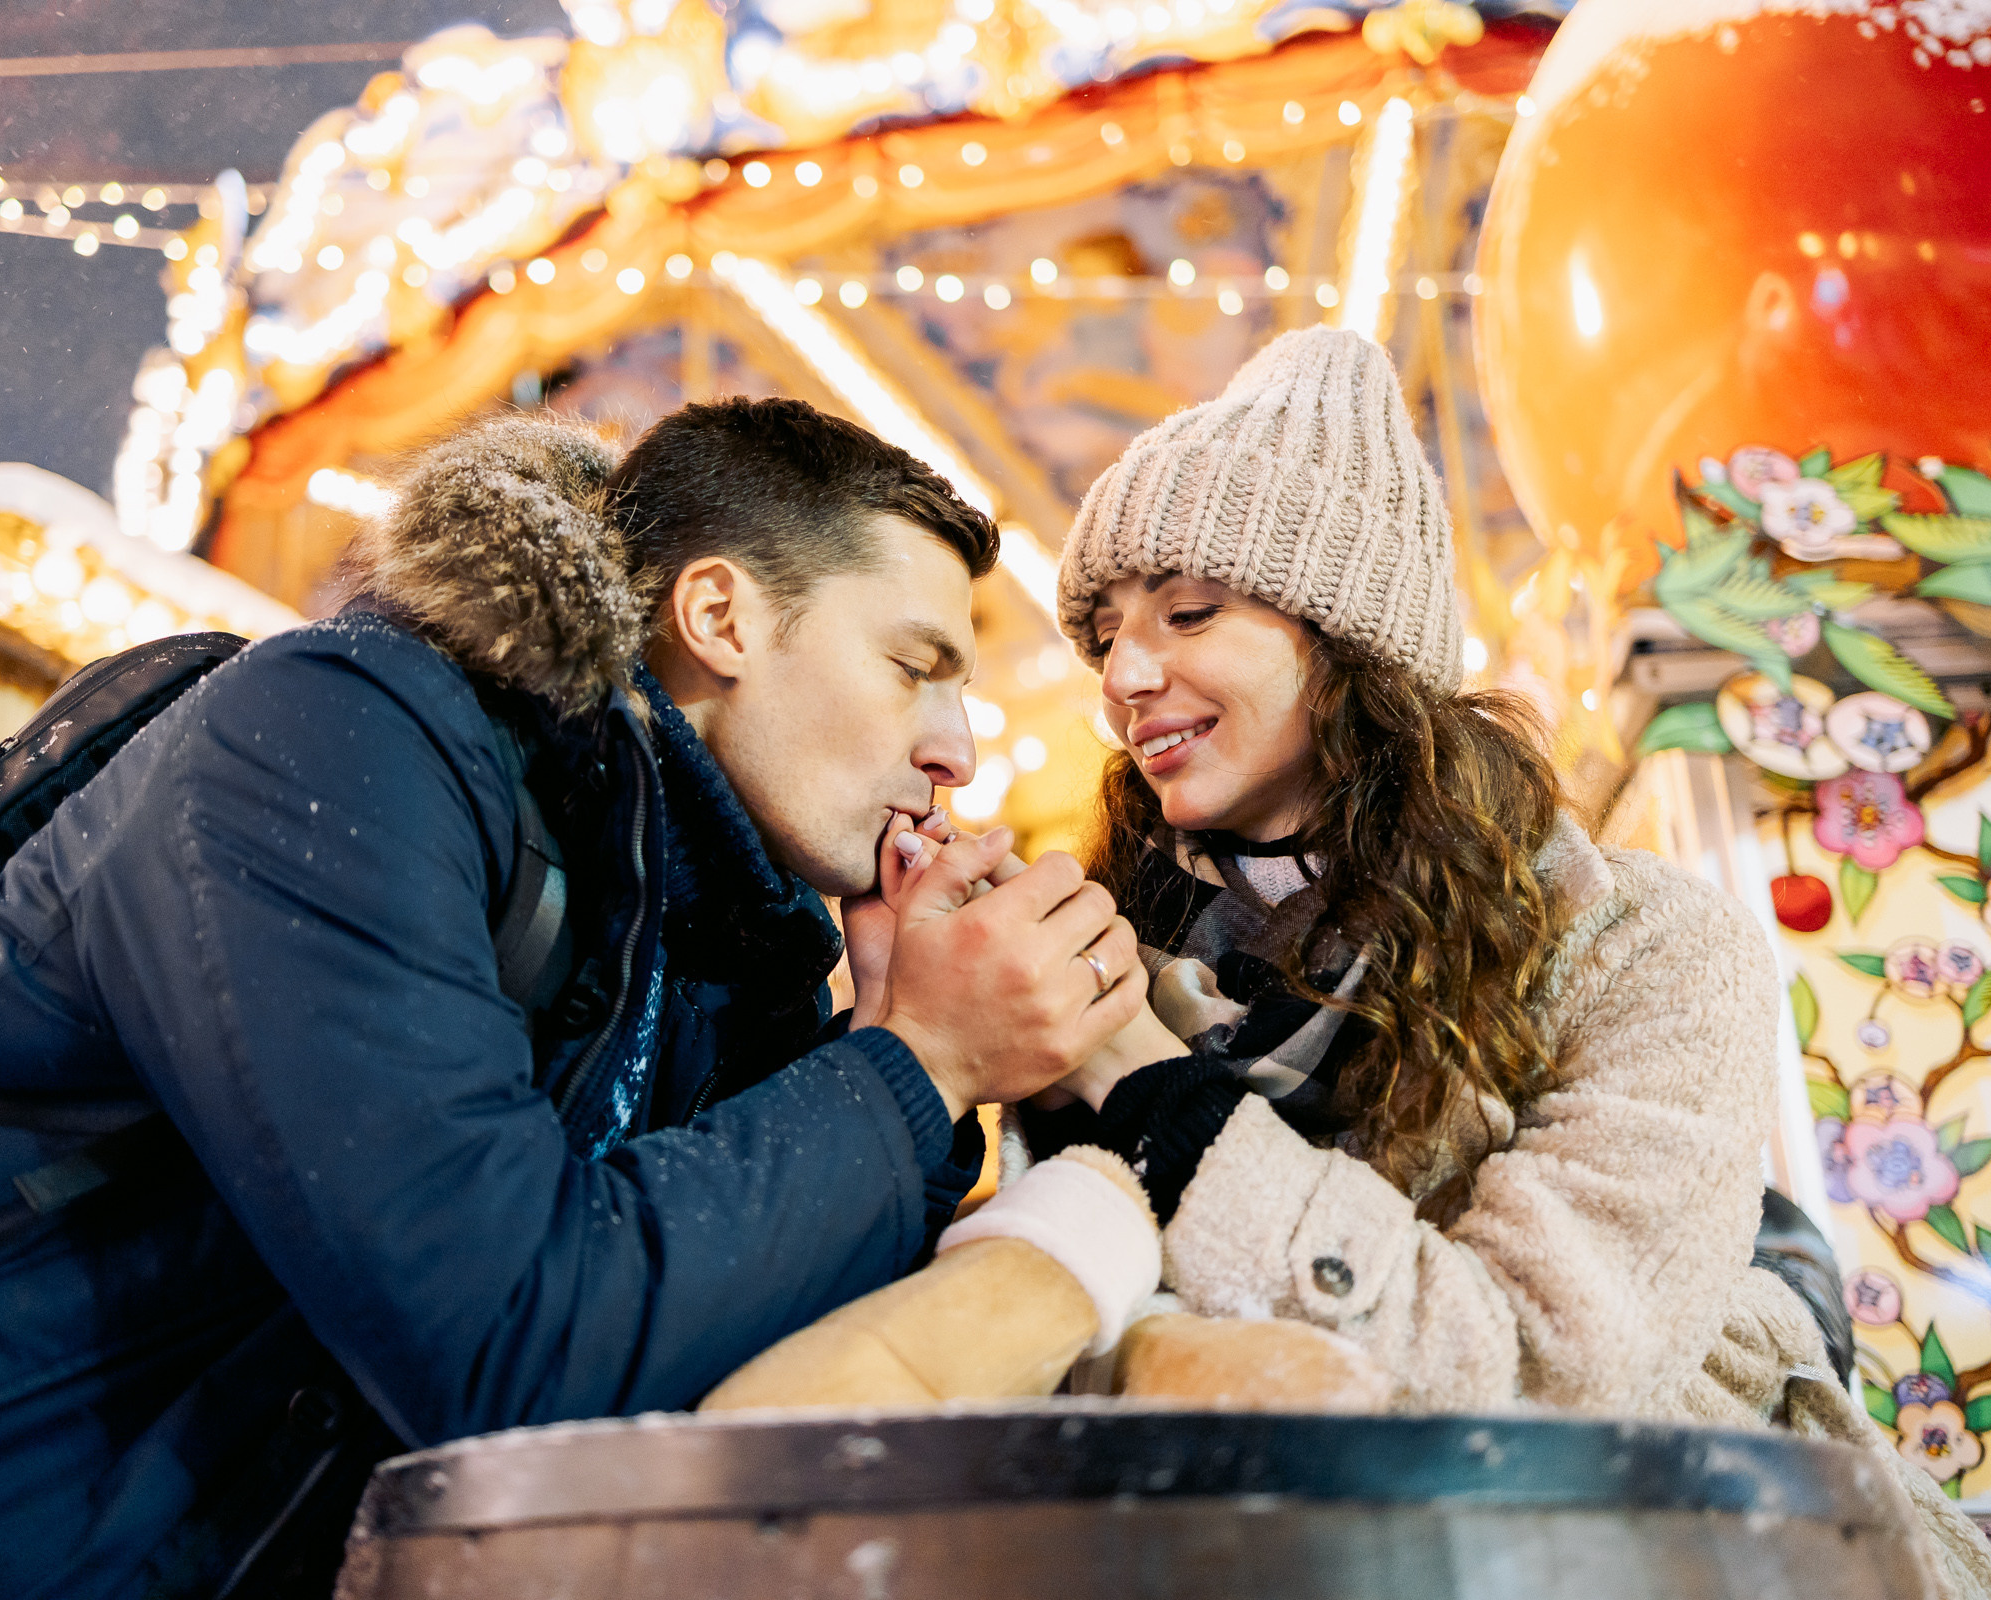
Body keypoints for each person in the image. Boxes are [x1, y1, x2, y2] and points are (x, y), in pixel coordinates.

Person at [0, 399, 1146, 1599]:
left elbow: (738, 1381)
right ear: (723, 617)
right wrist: (915, 1064)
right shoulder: (336, 735)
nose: (957, 741)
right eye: (916, 662)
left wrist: (904, 1064)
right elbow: (509, 1347)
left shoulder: (703, 952)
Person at [701, 328, 1991, 1594]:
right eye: (1104, 636)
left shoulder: (1648, 947)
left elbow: (1544, 1388)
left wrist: (1149, 1080)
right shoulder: (1123, 948)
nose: (1125, 674)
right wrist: (906, 1022)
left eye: (1190, 613)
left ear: (1347, 637)